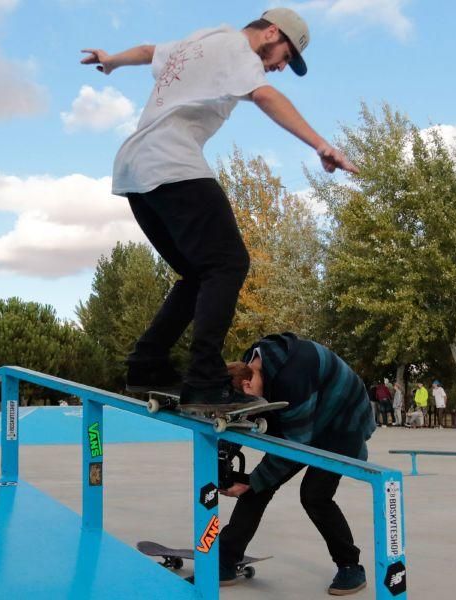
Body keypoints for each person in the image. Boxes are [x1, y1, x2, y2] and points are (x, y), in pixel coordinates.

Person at [82, 9, 357, 407]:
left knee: (199, 274)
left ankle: (146, 365)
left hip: (134, 172)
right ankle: (205, 379)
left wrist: (112, 59)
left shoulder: (202, 39)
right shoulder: (238, 51)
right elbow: (265, 95)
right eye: (285, 56)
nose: (280, 67)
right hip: (170, 163)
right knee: (228, 263)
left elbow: (146, 51)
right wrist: (321, 144)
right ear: (271, 33)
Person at [219, 332, 374, 594]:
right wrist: (224, 462)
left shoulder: (292, 378)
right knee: (257, 487)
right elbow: (240, 421)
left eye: (248, 404)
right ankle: (224, 560)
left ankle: (351, 566)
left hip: (341, 423)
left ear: (247, 386)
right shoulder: (250, 364)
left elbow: (295, 444)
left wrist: (253, 480)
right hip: (304, 411)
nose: (251, 411)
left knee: (315, 494)